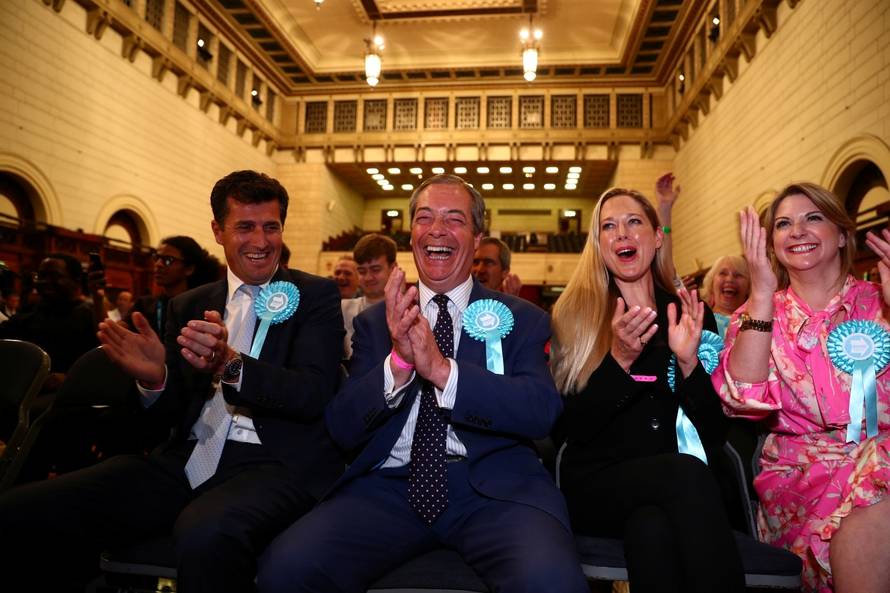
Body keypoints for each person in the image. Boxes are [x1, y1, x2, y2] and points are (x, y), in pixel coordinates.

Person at [0, 170, 345, 593]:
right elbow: (160, 419)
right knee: (25, 509)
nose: (260, 241)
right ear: (218, 231)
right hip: (186, 460)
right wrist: (155, 381)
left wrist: (230, 364)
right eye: (245, 227)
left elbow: (313, 394)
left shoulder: (315, 296)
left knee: (207, 533)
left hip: (274, 464)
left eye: (271, 227)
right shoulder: (189, 304)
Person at [256, 174, 588, 593]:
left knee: (551, 581)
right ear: (411, 234)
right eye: (425, 218)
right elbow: (342, 425)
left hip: (496, 491)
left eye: (454, 219)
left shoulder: (521, 318)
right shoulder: (376, 323)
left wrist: (442, 371)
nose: (437, 230)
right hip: (388, 489)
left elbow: (541, 411)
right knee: (285, 569)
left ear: (477, 235)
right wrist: (397, 362)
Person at [550, 187, 745, 593]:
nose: (621, 233)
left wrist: (690, 363)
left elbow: (713, 431)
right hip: (599, 482)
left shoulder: (691, 311)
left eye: (633, 222)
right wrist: (618, 360)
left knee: (651, 531)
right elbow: (569, 428)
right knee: (686, 475)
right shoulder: (576, 313)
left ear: (657, 236)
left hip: (671, 489)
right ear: (599, 244)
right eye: (608, 226)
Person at [713, 182, 890, 593]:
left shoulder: (878, 301)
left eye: (813, 218)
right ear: (772, 245)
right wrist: (759, 293)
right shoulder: (755, 314)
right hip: (803, 478)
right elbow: (744, 398)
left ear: (843, 234)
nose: (797, 231)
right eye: (783, 224)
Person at [127, 236, 221, 336]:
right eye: (156, 258)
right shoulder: (144, 305)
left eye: (168, 260)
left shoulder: (202, 309)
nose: (158, 264)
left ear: (189, 269)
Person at [342, 233, 397, 360]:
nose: (368, 277)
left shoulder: (409, 310)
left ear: (393, 268)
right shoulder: (342, 308)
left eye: (375, 269)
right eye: (361, 271)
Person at [699, 255, 750, 337]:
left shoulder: (755, 322)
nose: (730, 279)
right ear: (711, 284)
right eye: (723, 273)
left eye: (738, 275)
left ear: (749, 287)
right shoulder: (701, 323)